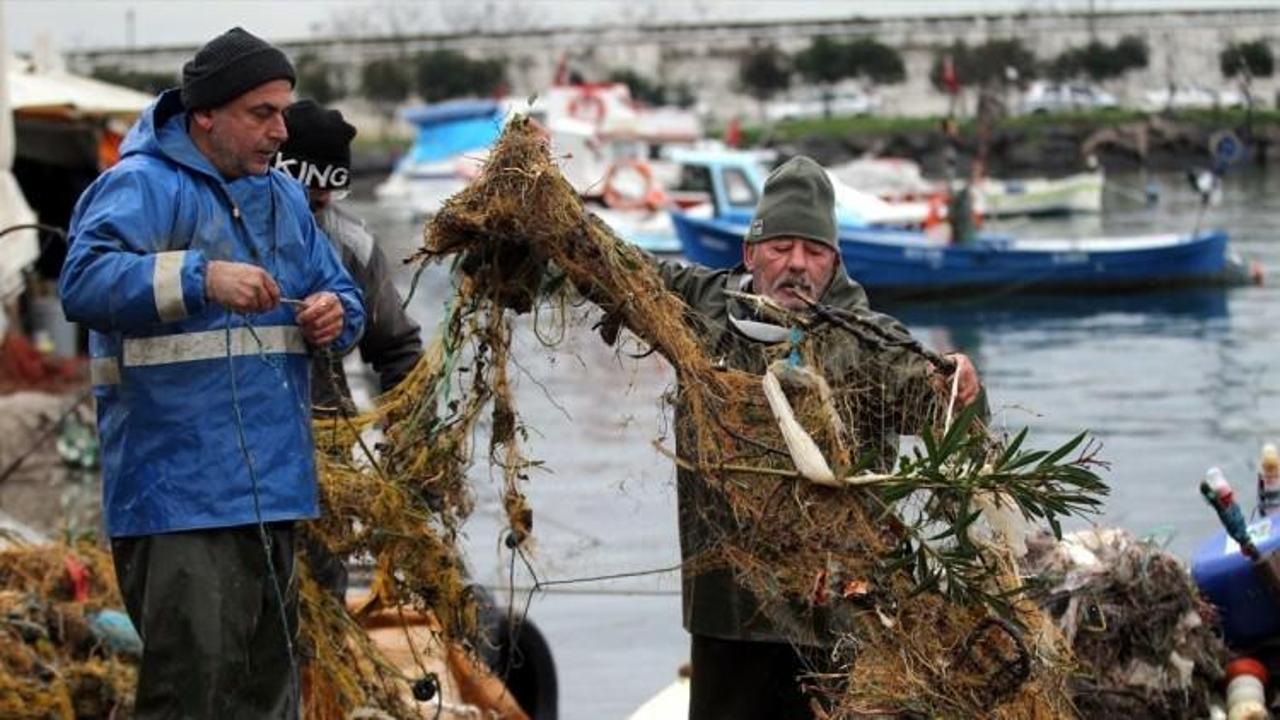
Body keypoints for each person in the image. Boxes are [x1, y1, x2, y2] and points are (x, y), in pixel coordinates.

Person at [58, 27, 365, 719]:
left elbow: (343, 295)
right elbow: (82, 282)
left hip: (274, 492)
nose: (280, 131)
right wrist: (202, 278)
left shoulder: (283, 198)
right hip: (177, 500)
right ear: (206, 114)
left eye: (282, 112)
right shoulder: (139, 185)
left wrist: (331, 316)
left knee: (269, 699)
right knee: (192, 699)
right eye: (262, 113)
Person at [644, 156, 981, 719]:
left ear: (835, 261)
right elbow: (605, 266)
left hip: (837, 616)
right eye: (780, 247)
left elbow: (953, 416)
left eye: (814, 250)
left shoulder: (874, 346)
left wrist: (962, 384)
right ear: (750, 252)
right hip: (729, 614)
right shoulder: (699, 308)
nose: (796, 264)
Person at [274, 99, 423, 418]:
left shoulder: (352, 242)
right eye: (313, 192)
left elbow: (396, 345)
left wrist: (412, 440)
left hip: (324, 427)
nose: (324, 200)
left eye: (334, 191)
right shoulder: (224, 223)